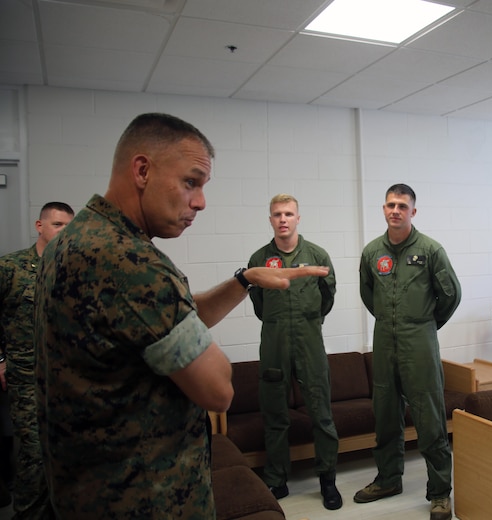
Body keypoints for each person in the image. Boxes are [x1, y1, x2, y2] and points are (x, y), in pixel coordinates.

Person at [34, 113, 330, 518]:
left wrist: (244, 280)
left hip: (88, 489)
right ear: (142, 170)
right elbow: (219, 390)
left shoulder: (74, 239)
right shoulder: (131, 262)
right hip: (143, 497)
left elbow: (167, 318)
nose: (201, 201)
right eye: (191, 182)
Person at [355, 183, 461, 520]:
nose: (395, 210)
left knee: (429, 419)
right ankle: (388, 479)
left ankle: (440, 493)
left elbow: (451, 295)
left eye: (402, 205)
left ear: (413, 212)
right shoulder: (373, 252)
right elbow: (367, 293)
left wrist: (425, 325)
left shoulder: (431, 250)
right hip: (385, 338)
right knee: (385, 414)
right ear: (383, 209)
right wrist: (390, 321)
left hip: (420, 340)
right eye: (390, 205)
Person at [247, 193, 342, 510]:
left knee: (322, 415)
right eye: (277, 214)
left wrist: (309, 320)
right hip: (274, 345)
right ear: (270, 219)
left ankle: (328, 481)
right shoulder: (259, 259)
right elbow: (259, 306)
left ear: (298, 218)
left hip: (309, 343)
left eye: (288, 213)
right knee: (275, 417)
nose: (283, 219)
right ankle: (277, 480)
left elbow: (327, 297)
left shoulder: (317, 256)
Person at [1, 201, 74, 518]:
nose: (63, 232)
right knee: (33, 463)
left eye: (69, 227)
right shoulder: (10, 269)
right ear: (39, 226)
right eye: (58, 224)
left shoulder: (75, 270)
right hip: (29, 383)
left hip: (71, 385)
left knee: (69, 464)